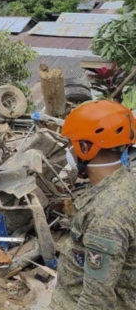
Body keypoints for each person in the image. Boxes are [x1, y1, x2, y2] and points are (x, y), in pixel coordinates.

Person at [50, 100, 136, 310]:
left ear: (86, 147)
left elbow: (96, 301)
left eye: (71, 143)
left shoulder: (107, 214)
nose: (69, 150)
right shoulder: (125, 184)